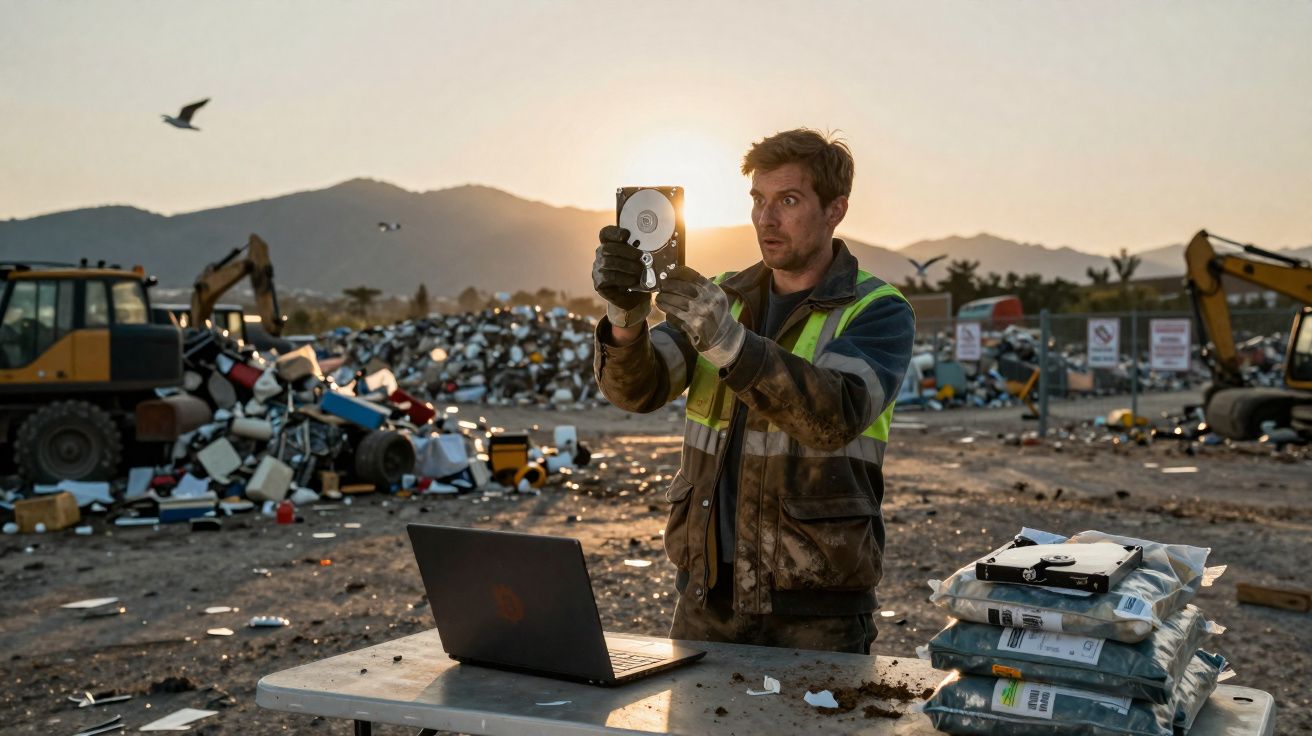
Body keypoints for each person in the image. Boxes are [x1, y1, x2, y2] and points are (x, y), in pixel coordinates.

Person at [591, 129, 915, 654]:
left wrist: (730, 345)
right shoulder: (722, 297)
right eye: (758, 200)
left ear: (836, 210)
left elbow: (834, 415)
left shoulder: (877, 310)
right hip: (705, 601)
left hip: (816, 614)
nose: (767, 219)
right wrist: (625, 318)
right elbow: (640, 389)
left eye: (788, 201)